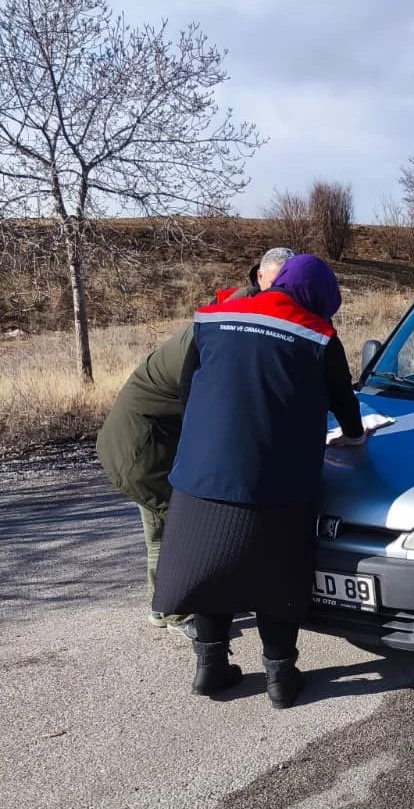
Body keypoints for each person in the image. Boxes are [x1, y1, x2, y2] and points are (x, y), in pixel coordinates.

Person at [151, 254, 364, 709]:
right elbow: (344, 403)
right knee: (276, 578)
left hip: (202, 472)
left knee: (209, 569)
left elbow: (188, 389)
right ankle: (281, 679)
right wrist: (354, 435)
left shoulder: (214, 318)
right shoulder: (318, 336)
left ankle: (210, 669)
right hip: (276, 478)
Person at [96, 247, 294, 638]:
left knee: (164, 524)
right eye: (277, 284)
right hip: (142, 443)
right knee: (174, 525)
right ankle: (174, 611)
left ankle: (169, 603)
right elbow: (209, 394)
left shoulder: (237, 316)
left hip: (153, 436)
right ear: (259, 279)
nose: (284, 294)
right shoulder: (230, 324)